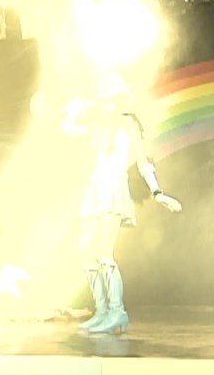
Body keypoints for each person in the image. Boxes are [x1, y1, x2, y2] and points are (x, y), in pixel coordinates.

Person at [63, 72, 182, 334]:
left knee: (103, 253)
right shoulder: (98, 123)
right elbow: (71, 131)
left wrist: (157, 192)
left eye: (111, 94)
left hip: (113, 188)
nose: (106, 99)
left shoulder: (128, 122)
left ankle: (117, 312)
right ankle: (102, 310)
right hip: (95, 188)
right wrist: (72, 113)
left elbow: (142, 162)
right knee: (85, 251)